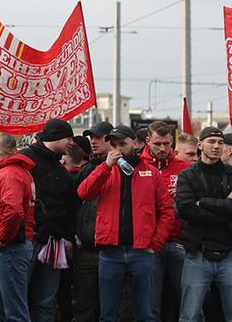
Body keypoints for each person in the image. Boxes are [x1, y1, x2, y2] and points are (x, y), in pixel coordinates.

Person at [74, 125, 173, 322]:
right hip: (111, 252)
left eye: (122, 144)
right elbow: (84, 193)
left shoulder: (151, 173)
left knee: (145, 314)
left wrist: (155, 243)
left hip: (141, 252)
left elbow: (167, 211)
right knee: (108, 314)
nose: (117, 149)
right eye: (113, 145)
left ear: (134, 143)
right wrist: (105, 167)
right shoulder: (105, 170)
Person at [175, 126, 232, 322]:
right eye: (212, 142)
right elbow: (186, 210)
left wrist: (204, 202)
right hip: (198, 254)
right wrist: (225, 208)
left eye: (220, 142)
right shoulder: (187, 176)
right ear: (200, 145)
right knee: (190, 315)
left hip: (228, 254)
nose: (216, 146)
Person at [20, 119, 77, 322]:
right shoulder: (25, 160)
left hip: (54, 241)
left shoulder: (61, 171)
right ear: (55, 137)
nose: (72, 143)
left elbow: (68, 208)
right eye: (68, 138)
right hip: (28, 239)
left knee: (46, 300)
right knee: (19, 298)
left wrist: (68, 236)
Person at [0, 133, 33, 322]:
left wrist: (4, 237)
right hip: (12, 246)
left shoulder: (9, 173)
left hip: (11, 247)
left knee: (13, 312)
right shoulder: (19, 171)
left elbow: (13, 210)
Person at [145, 121, 191, 322]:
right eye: (157, 144)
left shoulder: (185, 168)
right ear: (148, 141)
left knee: (188, 303)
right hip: (149, 244)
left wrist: (183, 196)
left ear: (172, 141)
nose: (162, 148)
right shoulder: (138, 165)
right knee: (150, 304)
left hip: (178, 241)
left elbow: (196, 203)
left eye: (166, 143)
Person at [72, 121, 113, 322]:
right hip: (87, 249)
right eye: (91, 138)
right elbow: (74, 205)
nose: (93, 141)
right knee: (84, 306)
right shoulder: (87, 169)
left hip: (114, 250)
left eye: (99, 137)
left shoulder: (125, 167)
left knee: (112, 308)